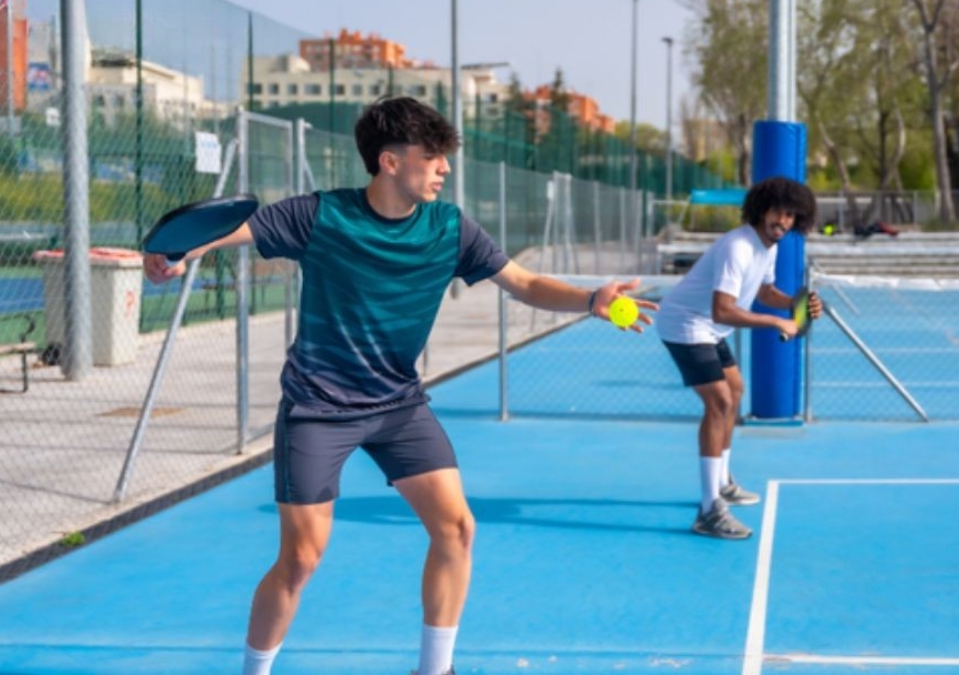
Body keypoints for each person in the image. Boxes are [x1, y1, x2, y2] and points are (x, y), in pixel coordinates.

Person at [143, 96, 656, 675]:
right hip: (319, 407)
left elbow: (524, 281)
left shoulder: (449, 227)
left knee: (457, 528)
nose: (444, 168)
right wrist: (177, 254)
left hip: (397, 405)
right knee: (301, 560)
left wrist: (591, 300)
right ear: (389, 162)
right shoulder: (321, 216)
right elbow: (236, 229)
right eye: (432, 156)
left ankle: (433, 670)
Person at [654, 177, 822, 540]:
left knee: (735, 390)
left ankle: (722, 480)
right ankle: (709, 509)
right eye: (778, 211)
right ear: (761, 209)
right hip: (684, 323)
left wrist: (795, 304)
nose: (784, 221)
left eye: (792, 215)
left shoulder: (768, 246)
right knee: (719, 401)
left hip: (708, 328)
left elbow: (764, 291)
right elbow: (723, 310)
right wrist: (777, 320)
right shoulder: (738, 247)